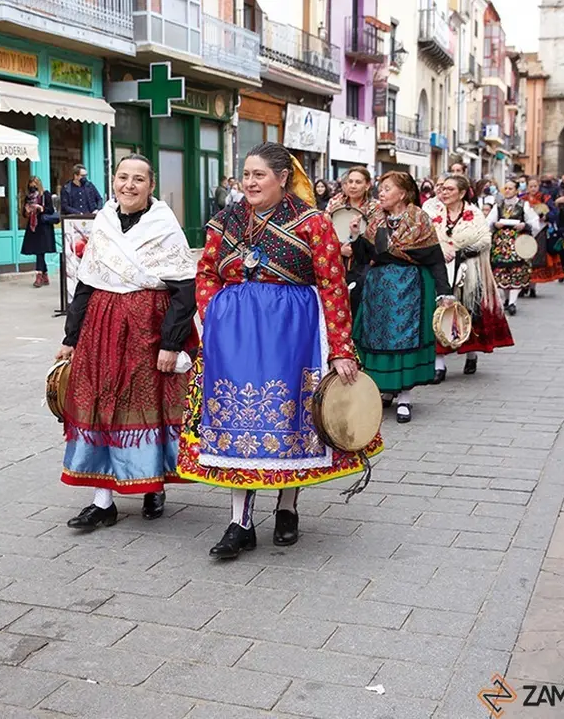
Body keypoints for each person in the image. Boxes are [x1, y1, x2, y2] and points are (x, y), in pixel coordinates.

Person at [177, 142, 382, 559]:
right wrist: (212, 317)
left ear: (282, 177)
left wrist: (341, 347)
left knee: (290, 419)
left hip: (294, 334)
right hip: (233, 337)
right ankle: (240, 522)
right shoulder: (225, 220)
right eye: (246, 174)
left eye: (259, 175)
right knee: (237, 423)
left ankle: (287, 506)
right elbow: (206, 272)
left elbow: (332, 286)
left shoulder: (313, 223)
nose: (250, 182)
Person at [56, 155, 197, 530]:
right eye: (122, 177)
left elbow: (184, 290)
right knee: (100, 401)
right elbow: (85, 285)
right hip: (101, 328)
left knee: (145, 403)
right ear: (113, 181)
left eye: (138, 179)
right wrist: (71, 338)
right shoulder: (102, 224)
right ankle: (102, 500)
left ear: (151, 186)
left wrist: (171, 343)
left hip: (148, 328)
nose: (129, 185)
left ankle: (153, 486)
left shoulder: (165, 227)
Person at [352, 171, 454, 423]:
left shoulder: (420, 220)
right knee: (378, 337)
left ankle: (405, 398)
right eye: (381, 188)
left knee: (403, 338)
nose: (381, 193)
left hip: (410, 288)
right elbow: (365, 256)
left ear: (404, 193)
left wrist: (444, 292)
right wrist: (356, 235)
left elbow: (434, 258)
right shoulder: (375, 218)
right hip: (378, 289)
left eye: (387, 188)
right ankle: (385, 389)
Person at [426, 176, 513, 379]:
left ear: (462, 193)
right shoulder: (434, 212)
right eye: (442, 188)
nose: (444, 192)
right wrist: (440, 248)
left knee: (468, 313)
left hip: (468, 273)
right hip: (440, 271)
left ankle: (471, 353)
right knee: (439, 313)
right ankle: (439, 364)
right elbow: (426, 236)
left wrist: (461, 251)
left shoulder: (473, 213)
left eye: (450, 189)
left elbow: (485, 239)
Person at [327, 166, 379, 314]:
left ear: (367, 185)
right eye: (350, 182)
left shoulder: (375, 207)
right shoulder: (335, 203)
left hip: (363, 262)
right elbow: (325, 232)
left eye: (358, 182)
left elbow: (375, 238)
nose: (353, 186)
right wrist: (339, 249)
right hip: (337, 258)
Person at [487, 178, 540, 314]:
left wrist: (524, 226)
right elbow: (488, 223)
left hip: (518, 244)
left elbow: (535, 223)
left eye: (511, 188)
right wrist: (494, 225)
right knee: (502, 272)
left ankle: (513, 302)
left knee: (517, 271)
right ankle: (506, 299)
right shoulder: (498, 205)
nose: (507, 191)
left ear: (516, 190)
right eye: (506, 188)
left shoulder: (524, 205)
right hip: (501, 245)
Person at [524, 176, 564, 293]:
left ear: (538, 186)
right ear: (527, 187)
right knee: (524, 257)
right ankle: (524, 284)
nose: (533, 188)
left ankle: (533, 286)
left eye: (535, 186)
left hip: (540, 232)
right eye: (530, 186)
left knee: (536, 258)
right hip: (525, 232)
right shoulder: (522, 199)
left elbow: (554, 212)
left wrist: (546, 216)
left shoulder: (545, 198)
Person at [21, 177, 59, 288]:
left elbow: (50, 210)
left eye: (35, 185)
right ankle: (45, 275)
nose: (33, 188)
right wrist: (27, 211)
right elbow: (24, 213)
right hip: (33, 227)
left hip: (43, 227)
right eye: (31, 186)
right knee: (39, 252)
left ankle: (39, 276)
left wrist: (40, 208)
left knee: (40, 251)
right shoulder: (28, 198)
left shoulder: (45, 195)